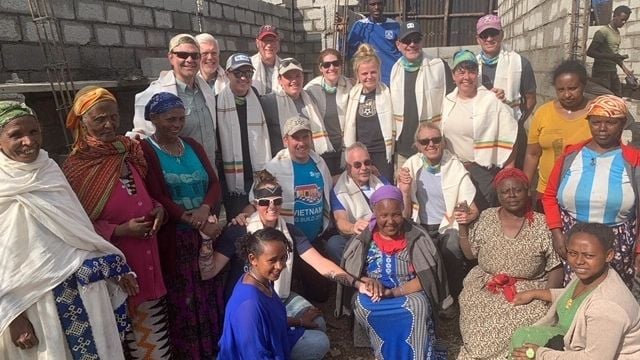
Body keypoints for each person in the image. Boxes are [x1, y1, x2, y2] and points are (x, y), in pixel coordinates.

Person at [0, 101, 138, 359]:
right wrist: (12, 317)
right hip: (33, 304)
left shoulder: (50, 171)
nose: (28, 142)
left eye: (34, 132)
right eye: (16, 135)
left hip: (82, 295)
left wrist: (115, 270)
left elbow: (78, 234)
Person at [214, 171, 373, 360]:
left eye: (277, 201)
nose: (272, 206)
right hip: (252, 310)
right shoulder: (239, 231)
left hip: (276, 297)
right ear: (255, 204)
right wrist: (206, 235)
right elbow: (210, 270)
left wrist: (357, 284)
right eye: (265, 202)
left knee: (318, 322)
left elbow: (321, 264)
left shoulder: (288, 232)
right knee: (318, 341)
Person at [62, 87, 170, 359]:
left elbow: (144, 196)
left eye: (113, 116)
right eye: (99, 119)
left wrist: (157, 210)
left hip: (149, 263)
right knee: (125, 343)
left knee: (156, 339)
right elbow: (74, 227)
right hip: (116, 273)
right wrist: (119, 230)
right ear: (82, 121)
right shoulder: (77, 168)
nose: (109, 124)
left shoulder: (126, 152)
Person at [140, 92, 224, 359]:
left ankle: (213, 349)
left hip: (205, 234)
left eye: (181, 118)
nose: (176, 124)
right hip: (176, 239)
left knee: (209, 293)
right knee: (184, 299)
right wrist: (191, 220)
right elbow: (157, 195)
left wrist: (203, 209)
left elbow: (214, 182)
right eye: (170, 119)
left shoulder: (192, 145)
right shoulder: (146, 149)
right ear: (153, 118)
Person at [456, 168, 563, 359]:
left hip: (526, 290)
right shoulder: (487, 217)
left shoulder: (541, 223)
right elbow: (470, 254)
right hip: (486, 285)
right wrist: (463, 226)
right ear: (498, 195)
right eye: (505, 191)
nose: (511, 195)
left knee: (527, 319)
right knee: (476, 319)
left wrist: (547, 299)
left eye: (517, 190)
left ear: (527, 191)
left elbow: (555, 267)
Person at [336, 185, 450, 360]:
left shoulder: (417, 237)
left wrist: (394, 292)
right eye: (384, 215)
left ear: (402, 210)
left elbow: (426, 279)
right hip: (375, 297)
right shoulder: (364, 238)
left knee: (417, 305)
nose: (390, 221)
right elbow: (352, 272)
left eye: (396, 214)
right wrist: (367, 281)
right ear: (375, 213)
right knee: (362, 303)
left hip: (409, 294)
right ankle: (382, 352)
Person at [542, 95, 640, 289]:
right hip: (574, 241)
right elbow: (549, 195)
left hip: (617, 243)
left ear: (622, 124)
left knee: (612, 297)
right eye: (596, 122)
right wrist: (557, 233)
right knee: (576, 294)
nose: (602, 128)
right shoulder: (571, 156)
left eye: (610, 123)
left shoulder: (633, 161)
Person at [511, 223, 640, 359]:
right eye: (572, 253)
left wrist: (540, 354)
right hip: (569, 342)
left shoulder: (607, 307)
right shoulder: (590, 277)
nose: (578, 261)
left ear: (608, 255)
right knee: (522, 336)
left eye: (588, 255)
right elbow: (572, 299)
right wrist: (534, 293)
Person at [217, 228, 330, 360]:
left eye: (283, 258)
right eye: (272, 260)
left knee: (318, 323)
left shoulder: (263, 280)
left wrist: (300, 321)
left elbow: (271, 319)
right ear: (253, 259)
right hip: (260, 352)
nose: (280, 266)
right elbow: (254, 355)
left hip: (275, 337)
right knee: (320, 342)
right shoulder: (249, 306)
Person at [397, 122, 478, 301]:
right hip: (421, 224)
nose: (431, 145)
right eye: (424, 141)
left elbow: (473, 209)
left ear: (443, 142)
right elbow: (404, 214)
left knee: (450, 246)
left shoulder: (454, 166)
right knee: (417, 249)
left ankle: (455, 295)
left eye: (435, 139)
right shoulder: (411, 165)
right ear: (417, 145)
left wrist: (468, 215)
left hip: (447, 223)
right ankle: (427, 294)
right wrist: (404, 190)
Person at [262, 116, 334, 302]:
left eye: (305, 137)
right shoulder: (274, 166)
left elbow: (330, 188)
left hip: (312, 241)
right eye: (296, 138)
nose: (301, 143)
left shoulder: (319, 163)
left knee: (321, 295)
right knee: (283, 291)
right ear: (286, 140)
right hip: (287, 240)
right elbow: (257, 198)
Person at [440, 49, 518, 211]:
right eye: (461, 73)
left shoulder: (491, 101)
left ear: (477, 74)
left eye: (471, 72)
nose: (466, 77)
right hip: (454, 169)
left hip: (482, 173)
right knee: (458, 215)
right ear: (454, 76)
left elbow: (511, 135)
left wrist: (509, 173)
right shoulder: (447, 102)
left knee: (482, 216)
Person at [131, 33, 218, 167]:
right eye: (182, 55)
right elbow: (144, 138)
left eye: (195, 55)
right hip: (179, 171)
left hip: (210, 168)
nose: (189, 60)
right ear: (171, 58)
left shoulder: (206, 90)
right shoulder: (155, 94)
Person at [523, 61, 592, 211]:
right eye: (561, 90)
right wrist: (525, 186)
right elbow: (532, 154)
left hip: (585, 194)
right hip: (547, 193)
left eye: (573, 88)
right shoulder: (543, 113)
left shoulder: (596, 113)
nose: (567, 94)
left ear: (584, 85)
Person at [390, 21, 454, 172]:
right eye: (407, 40)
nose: (412, 44)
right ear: (398, 44)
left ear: (422, 41)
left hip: (432, 147)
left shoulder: (438, 66)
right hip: (404, 149)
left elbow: (454, 99)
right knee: (405, 192)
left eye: (416, 39)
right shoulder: (395, 70)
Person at [475, 14, 537, 169]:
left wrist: (517, 121)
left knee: (511, 184)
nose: (489, 39)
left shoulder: (520, 63)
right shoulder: (471, 67)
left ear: (501, 35)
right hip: (481, 133)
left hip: (513, 134)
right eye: (484, 35)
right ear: (478, 39)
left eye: (493, 33)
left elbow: (531, 99)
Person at [216, 53, 271, 220]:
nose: (243, 78)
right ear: (227, 74)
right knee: (239, 221)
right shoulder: (217, 102)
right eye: (237, 73)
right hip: (233, 180)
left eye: (248, 73)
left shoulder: (257, 99)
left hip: (258, 173)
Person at [327, 142, 389, 264]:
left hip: (386, 232)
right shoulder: (339, 190)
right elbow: (340, 220)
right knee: (334, 243)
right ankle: (359, 277)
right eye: (357, 165)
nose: (364, 168)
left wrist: (405, 191)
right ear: (348, 168)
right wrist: (353, 227)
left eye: (367, 163)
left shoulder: (381, 182)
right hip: (360, 238)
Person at [261, 57, 334, 158]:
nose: (294, 80)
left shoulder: (311, 98)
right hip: (283, 163)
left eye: (297, 76)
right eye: (288, 77)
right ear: (279, 80)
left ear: (303, 77)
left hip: (311, 160)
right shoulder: (268, 102)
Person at [344, 44, 395, 181]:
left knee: (384, 190)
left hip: (383, 153)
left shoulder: (388, 93)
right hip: (361, 155)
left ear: (379, 71)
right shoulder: (352, 94)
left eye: (373, 72)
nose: (369, 77)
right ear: (358, 75)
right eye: (364, 73)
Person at [305, 48, 353, 175]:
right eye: (326, 65)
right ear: (320, 68)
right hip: (323, 149)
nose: (331, 68)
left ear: (341, 65)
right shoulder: (311, 90)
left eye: (335, 63)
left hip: (345, 147)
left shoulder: (351, 87)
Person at [346, 0, 401, 85]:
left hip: (393, 79)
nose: (376, 7)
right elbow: (350, 52)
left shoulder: (394, 25)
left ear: (384, 4)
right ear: (367, 5)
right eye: (372, 4)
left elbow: (402, 51)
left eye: (379, 4)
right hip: (370, 80)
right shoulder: (360, 26)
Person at [587, 5, 633, 96]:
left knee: (617, 98)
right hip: (601, 73)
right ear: (614, 16)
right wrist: (610, 56)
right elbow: (590, 52)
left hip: (612, 71)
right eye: (622, 19)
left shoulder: (617, 33)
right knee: (604, 100)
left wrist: (625, 69)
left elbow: (614, 55)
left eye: (625, 20)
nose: (623, 22)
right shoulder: (603, 32)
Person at [252, 24, 282, 95]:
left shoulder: (285, 66)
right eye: (265, 41)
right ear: (257, 43)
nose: (269, 45)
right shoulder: (249, 65)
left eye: (272, 41)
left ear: (278, 43)